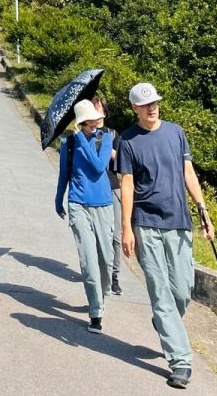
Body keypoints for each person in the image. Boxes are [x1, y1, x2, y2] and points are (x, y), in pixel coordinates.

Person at [118, 82, 214, 389]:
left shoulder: (176, 132)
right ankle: (180, 361)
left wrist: (202, 208)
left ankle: (163, 321)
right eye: (145, 104)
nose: (152, 107)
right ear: (135, 108)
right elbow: (128, 185)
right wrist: (126, 228)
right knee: (160, 293)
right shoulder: (129, 142)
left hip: (178, 221)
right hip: (146, 224)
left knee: (183, 289)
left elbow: (188, 172)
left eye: (155, 102)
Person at [55, 99, 115, 333]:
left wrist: (83, 138)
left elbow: (99, 166)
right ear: (81, 122)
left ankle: (103, 292)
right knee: (88, 260)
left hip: (103, 205)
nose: (93, 126)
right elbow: (64, 174)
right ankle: (96, 311)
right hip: (78, 204)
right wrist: (58, 199)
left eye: (94, 123)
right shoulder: (69, 142)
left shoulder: (105, 138)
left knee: (106, 259)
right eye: (88, 124)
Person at [92, 94, 123, 296]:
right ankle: (98, 272)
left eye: (98, 107)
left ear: (104, 111)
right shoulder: (85, 134)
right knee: (96, 235)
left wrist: (111, 153)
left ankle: (114, 276)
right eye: (92, 108)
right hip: (94, 187)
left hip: (112, 186)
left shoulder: (113, 134)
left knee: (115, 235)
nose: (95, 111)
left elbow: (122, 162)